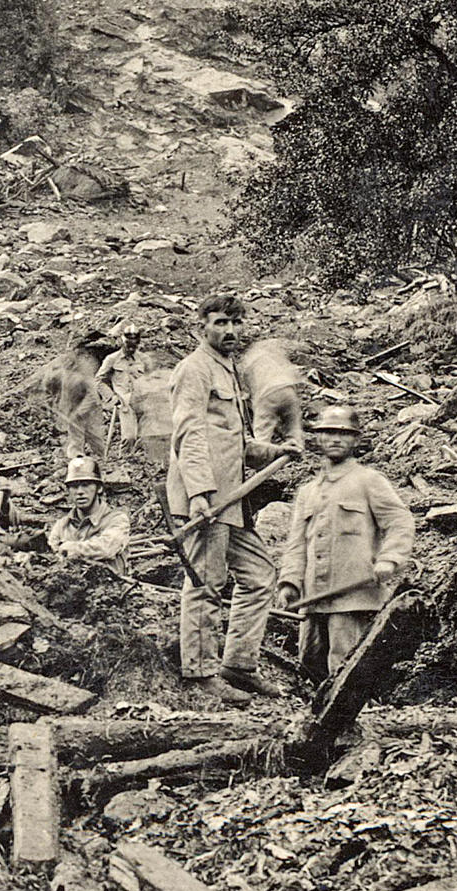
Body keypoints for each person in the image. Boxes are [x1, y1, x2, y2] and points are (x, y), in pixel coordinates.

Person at [169, 291, 283, 701]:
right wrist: (199, 493)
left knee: (260, 576)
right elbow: (189, 433)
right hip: (208, 500)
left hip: (233, 500)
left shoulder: (229, 370)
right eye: (220, 322)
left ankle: (238, 664)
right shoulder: (195, 370)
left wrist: (273, 451)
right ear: (202, 327)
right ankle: (199, 676)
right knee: (206, 582)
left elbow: (232, 443)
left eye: (236, 323)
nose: (230, 330)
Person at [274, 405, 414, 681]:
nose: (335, 439)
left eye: (343, 434)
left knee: (344, 668)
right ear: (317, 439)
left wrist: (389, 559)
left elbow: (400, 521)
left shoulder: (369, 481)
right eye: (327, 433)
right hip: (312, 599)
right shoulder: (307, 492)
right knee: (308, 664)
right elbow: (296, 544)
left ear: (356, 440)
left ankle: (354, 722)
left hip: (353, 597)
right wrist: (289, 582)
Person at [40, 331, 121, 464]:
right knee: (76, 436)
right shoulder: (59, 371)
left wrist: (80, 411)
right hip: (74, 405)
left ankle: (102, 460)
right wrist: (53, 405)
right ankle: (77, 460)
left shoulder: (85, 368)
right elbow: (49, 390)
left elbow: (92, 395)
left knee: (94, 435)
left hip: (89, 407)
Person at [48, 454, 130, 565]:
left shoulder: (116, 520)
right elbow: (51, 555)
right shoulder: (62, 525)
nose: (80, 491)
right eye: (74, 486)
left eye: (86, 485)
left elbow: (107, 548)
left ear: (99, 488)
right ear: (68, 491)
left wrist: (71, 548)